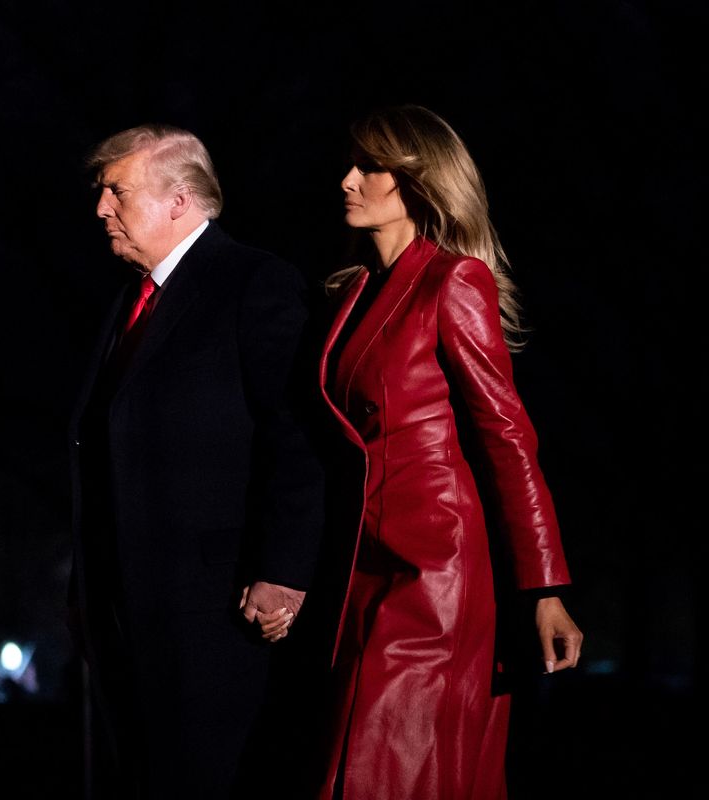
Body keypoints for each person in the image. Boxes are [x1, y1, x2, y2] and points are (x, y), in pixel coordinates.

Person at [312, 105, 584, 799]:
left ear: (417, 183)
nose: (347, 179)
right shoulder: (352, 295)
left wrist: (544, 588)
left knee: (388, 772)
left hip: (434, 576)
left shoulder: (454, 282)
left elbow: (507, 437)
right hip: (359, 573)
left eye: (370, 167)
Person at [68, 123, 326, 798]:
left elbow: (294, 435)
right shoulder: (132, 300)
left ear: (180, 200)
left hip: (216, 614)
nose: (101, 208)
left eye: (117, 191)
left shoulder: (254, 283)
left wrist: (283, 570)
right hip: (127, 613)